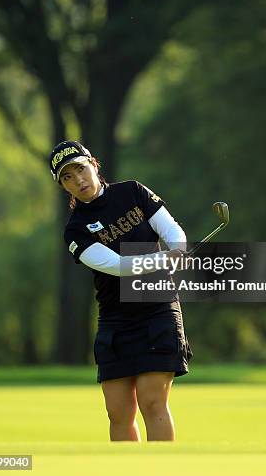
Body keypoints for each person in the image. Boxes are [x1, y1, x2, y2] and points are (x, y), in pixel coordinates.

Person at [49, 140, 193, 442]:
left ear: (94, 165)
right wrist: (162, 258)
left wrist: (178, 249)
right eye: (68, 177)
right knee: (118, 412)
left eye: (81, 169)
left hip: (157, 307)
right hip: (115, 319)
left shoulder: (132, 192)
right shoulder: (75, 229)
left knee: (152, 402)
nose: (78, 180)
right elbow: (115, 265)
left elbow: (171, 230)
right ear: (64, 187)